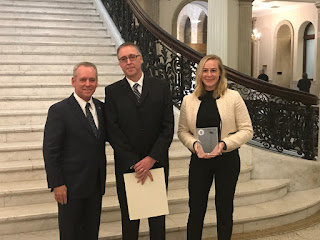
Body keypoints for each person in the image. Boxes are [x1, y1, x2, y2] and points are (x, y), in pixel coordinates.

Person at [178, 55, 253, 240]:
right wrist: (194, 144)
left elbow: (247, 130)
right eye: (205, 70)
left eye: (213, 70)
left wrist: (224, 144)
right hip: (199, 160)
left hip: (226, 160)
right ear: (199, 73)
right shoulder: (189, 100)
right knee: (195, 209)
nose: (209, 74)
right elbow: (182, 131)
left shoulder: (233, 97)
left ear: (220, 73)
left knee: (225, 208)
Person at [104, 42, 174, 240]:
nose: (129, 62)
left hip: (156, 164)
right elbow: (113, 131)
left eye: (132, 57)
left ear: (141, 59)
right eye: (123, 59)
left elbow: (167, 127)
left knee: (157, 222)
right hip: (128, 167)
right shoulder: (112, 92)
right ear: (119, 64)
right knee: (129, 222)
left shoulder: (161, 87)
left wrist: (151, 158)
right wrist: (135, 162)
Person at [43, 62, 107, 240]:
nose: (88, 84)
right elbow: (51, 151)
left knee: (91, 232)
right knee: (70, 234)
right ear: (73, 81)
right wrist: (57, 183)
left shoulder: (102, 109)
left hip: (95, 184)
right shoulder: (59, 110)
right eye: (83, 79)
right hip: (70, 187)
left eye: (92, 80)